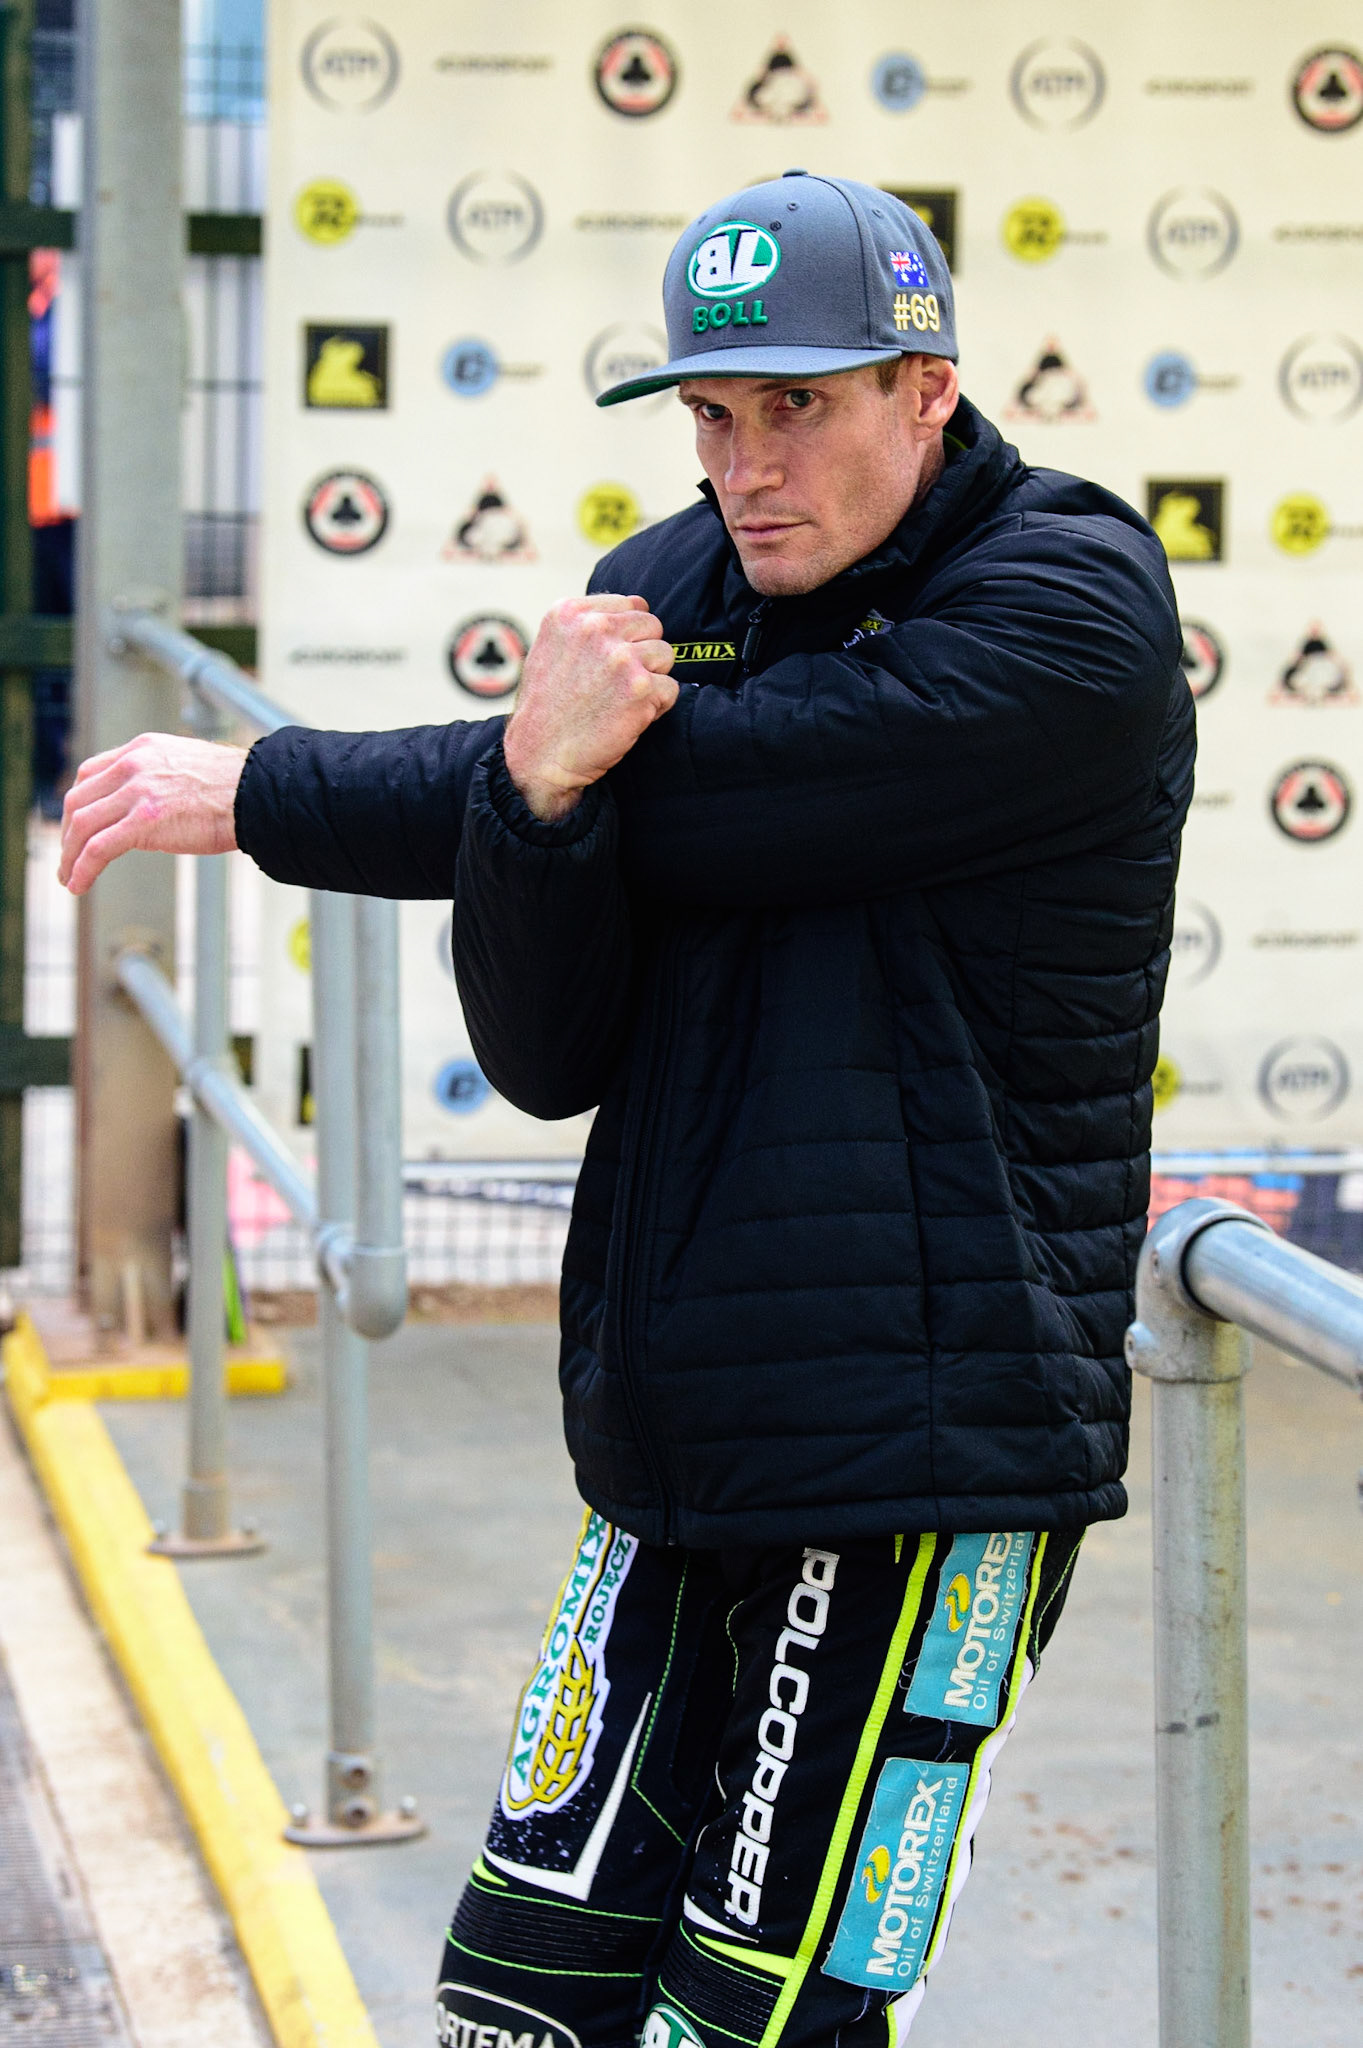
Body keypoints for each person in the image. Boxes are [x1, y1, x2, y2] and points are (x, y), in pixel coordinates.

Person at [61, 172, 1195, 2048]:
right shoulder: (665, 599)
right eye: (714, 415)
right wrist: (538, 802)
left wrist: (281, 790)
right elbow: (546, 1049)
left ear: (928, 390)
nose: (748, 466)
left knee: (747, 2028)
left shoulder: (1070, 600)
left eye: (803, 407)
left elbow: (738, 790)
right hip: (668, 1443)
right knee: (521, 2007)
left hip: (928, 1450)